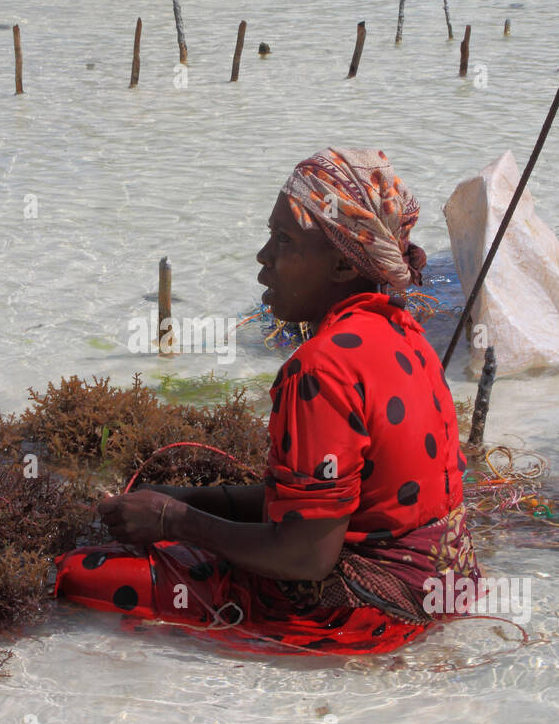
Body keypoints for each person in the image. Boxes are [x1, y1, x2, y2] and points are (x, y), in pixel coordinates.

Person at [54, 147, 480, 655]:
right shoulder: (403, 333)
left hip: (369, 614)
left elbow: (306, 556)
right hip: (446, 587)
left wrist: (172, 521)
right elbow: (337, 505)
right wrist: (187, 499)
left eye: (283, 240)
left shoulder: (320, 368)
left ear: (343, 264)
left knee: (78, 576)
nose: (263, 257)